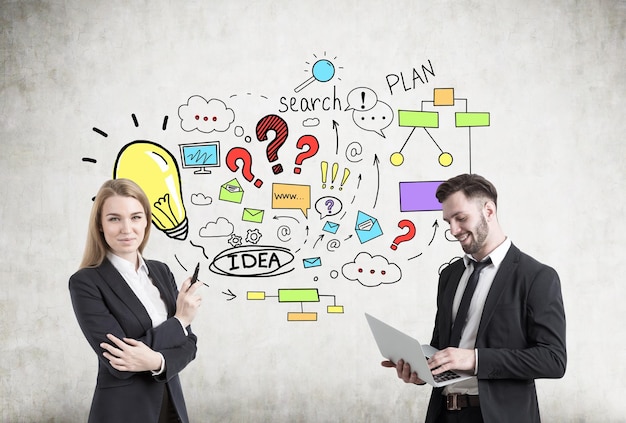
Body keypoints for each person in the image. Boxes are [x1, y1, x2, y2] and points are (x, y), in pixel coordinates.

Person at [382, 174, 566, 423]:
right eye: (448, 221)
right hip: (444, 414)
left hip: (501, 417)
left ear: (488, 210)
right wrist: (422, 370)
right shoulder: (450, 275)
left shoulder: (536, 276)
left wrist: (475, 359)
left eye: (461, 218)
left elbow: (553, 359)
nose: (453, 230)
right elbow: (441, 346)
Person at [69, 179, 202, 423]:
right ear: (100, 225)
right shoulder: (85, 282)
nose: (127, 228)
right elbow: (119, 362)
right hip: (123, 413)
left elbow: (189, 345)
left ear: (146, 221)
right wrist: (180, 320)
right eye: (114, 218)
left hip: (172, 407)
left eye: (135, 217)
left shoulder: (162, 272)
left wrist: (157, 361)